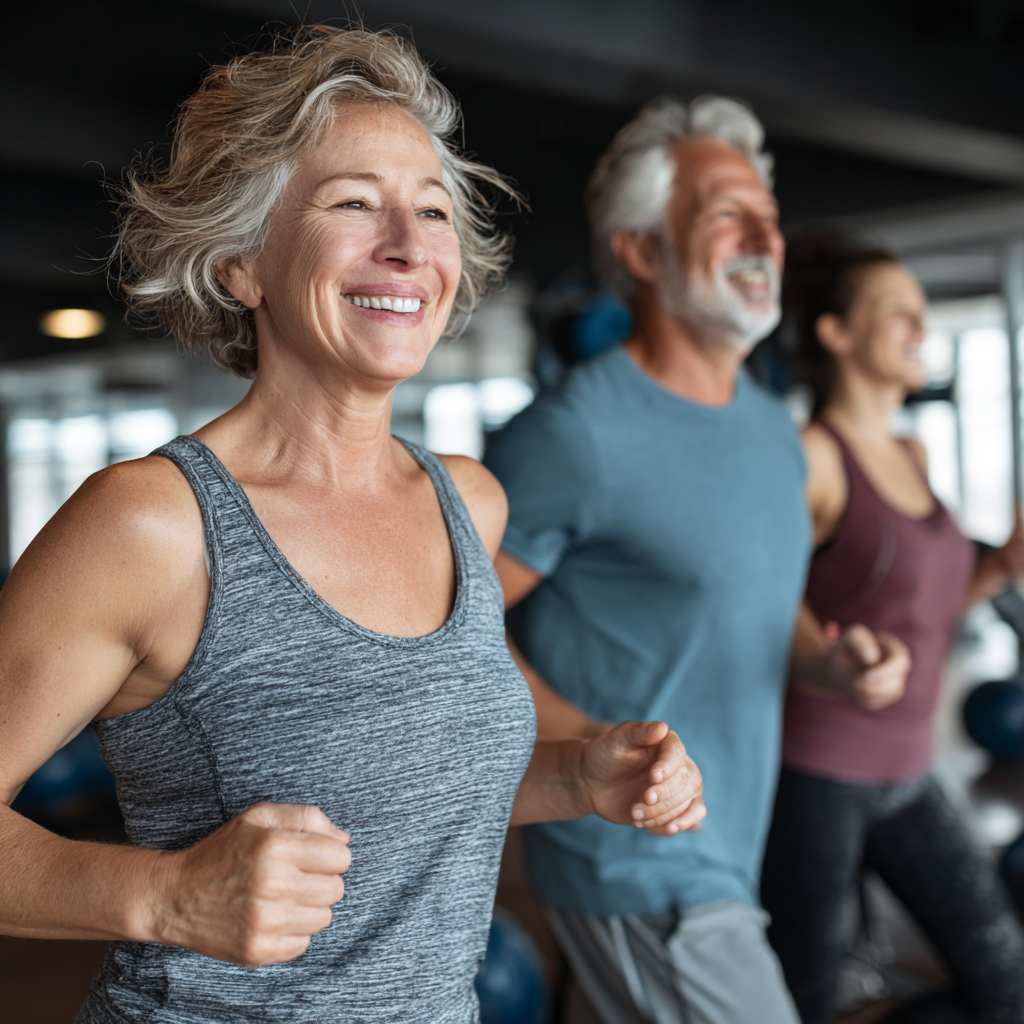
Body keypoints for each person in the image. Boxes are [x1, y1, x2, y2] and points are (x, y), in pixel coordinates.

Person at [0, 28, 707, 1024]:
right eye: (352, 203)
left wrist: (577, 776)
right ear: (243, 263)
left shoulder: (469, 503)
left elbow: (402, 793)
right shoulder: (156, 523)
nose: (408, 246)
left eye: (430, 209)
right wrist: (163, 896)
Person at [484, 98, 836, 1024]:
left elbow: (753, 594)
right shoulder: (574, 435)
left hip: (733, 841)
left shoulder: (774, 432)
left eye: (768, 210)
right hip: (635, 855)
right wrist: (592, 749)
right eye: (727, 212)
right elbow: (446, 627)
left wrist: (829, 658)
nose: (765, 233)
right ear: (642, 251)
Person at [761, 231, 1024, 1024]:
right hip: (819, 773)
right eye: (897, 311)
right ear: (836, 334)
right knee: (802, 995)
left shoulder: (911, 452)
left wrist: (1004, 565)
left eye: (921, 310)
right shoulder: (814, 457)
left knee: (1004, 978)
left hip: (910, 768)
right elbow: (756, 604)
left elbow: (923, 613)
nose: (920, 324)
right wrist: (835, 660)